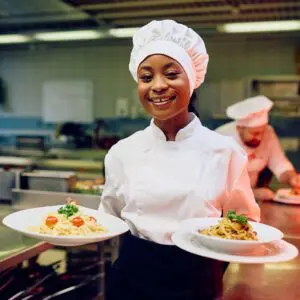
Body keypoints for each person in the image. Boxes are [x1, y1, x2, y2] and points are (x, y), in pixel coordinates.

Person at [100, 19, 260, 300]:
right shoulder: (122, 152)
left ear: (192, 79)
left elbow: (244, 224)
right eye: (146, 77)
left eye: (172, 74)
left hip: (197, 280)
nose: (158, 86)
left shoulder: (225, 151)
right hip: (132, 279)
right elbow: (107, 219)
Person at [216, 95, 300, 201]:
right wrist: (253, 193)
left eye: (262, 132)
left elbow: (280, 164)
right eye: (255, 133)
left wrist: (292, 178)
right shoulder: (220, 138)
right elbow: (216, 185)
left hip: (250, 201)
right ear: (239, 128)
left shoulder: (268, 133)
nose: (260, 138)